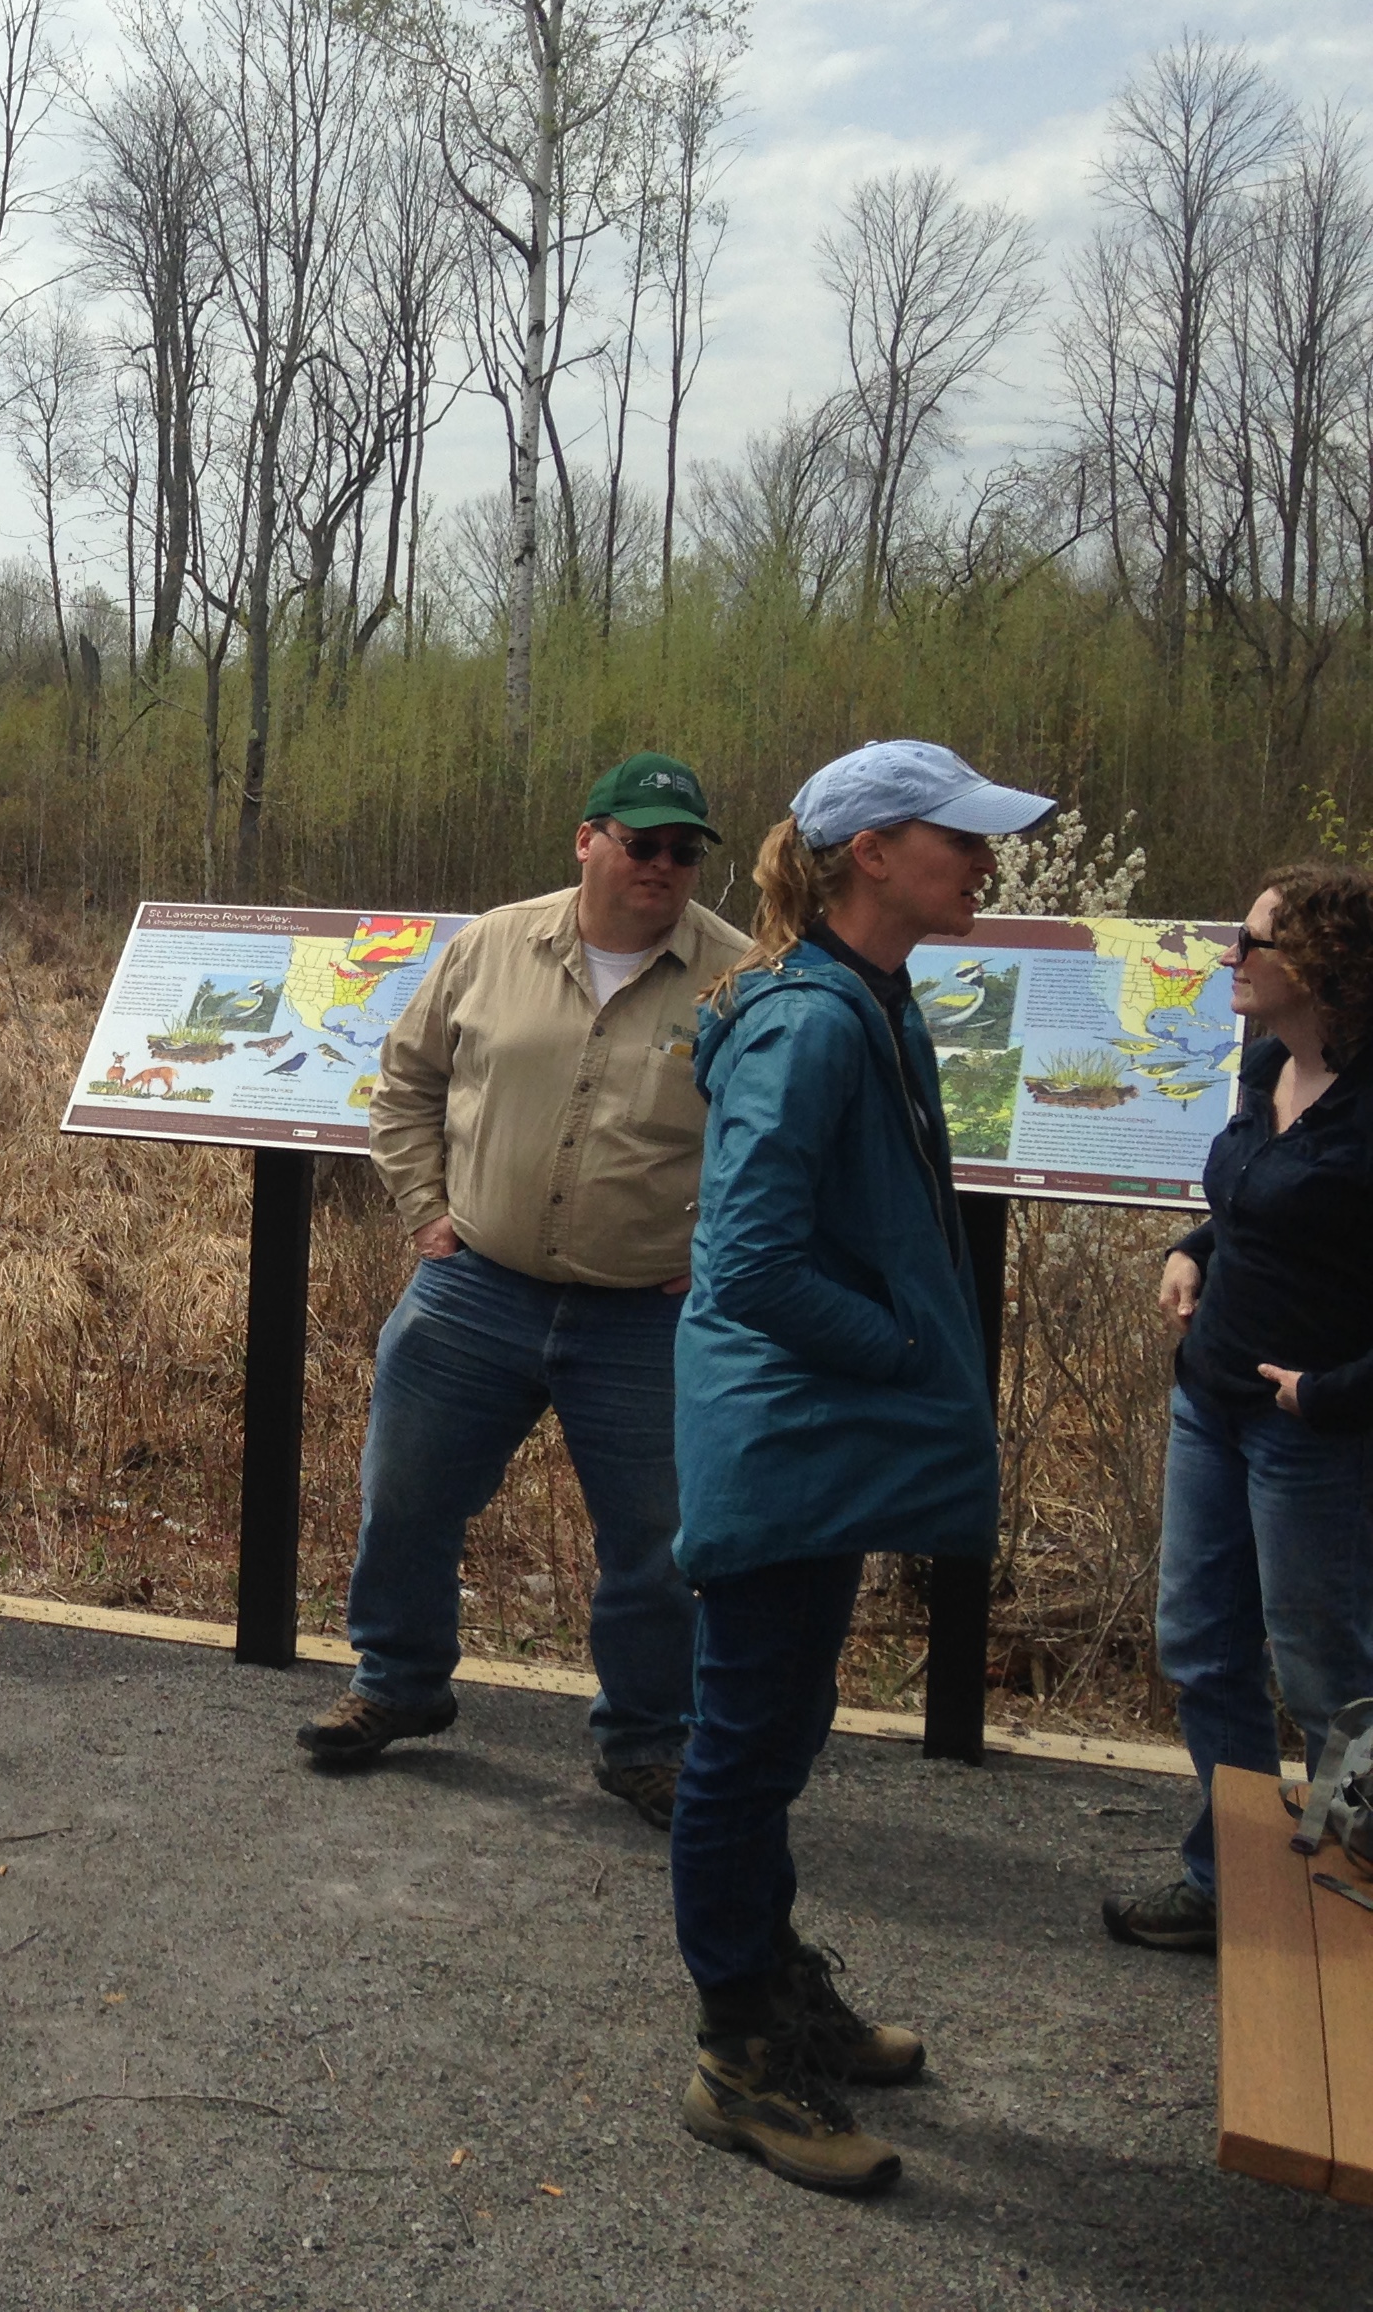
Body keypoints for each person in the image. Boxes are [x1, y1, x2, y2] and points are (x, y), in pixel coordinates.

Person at [666, 739, 1051, 2197]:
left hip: (804, 1440)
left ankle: (777, 1988)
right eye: (959, 839)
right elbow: (751, 1260)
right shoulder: (813, 1027)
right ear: (874, 853)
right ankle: (737, 2060)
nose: (985, 861)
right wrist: (903, 1352)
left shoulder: (868, 999)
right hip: (785, 1440)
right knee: (743, 1750)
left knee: (771, 1736)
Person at [304, 753, 747, 1826]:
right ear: (587, 839)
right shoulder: (492, 943)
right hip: (474, 1291)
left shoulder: (743, 978)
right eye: (641, 842)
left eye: (685, 850)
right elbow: (404, 1085)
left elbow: (777, 1140)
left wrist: (724, 1249)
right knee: (405, 1500)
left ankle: (646, 1740)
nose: (663, 865)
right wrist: (425, 1212)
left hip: (647, 1309)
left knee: (656, 1543)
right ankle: (398, 1685)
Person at [1105, 861, 1373, 1954]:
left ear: (1317, 966)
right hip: (1211, 1406)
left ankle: (1348, 1900)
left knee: (1328, 1676)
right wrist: (1192, 1248)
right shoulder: (1268, 1062)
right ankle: (1234, 1884)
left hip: (1315, 1432)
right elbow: (1255, 1203)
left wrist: (1330, 1393)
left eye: (1252, 944)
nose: (1232, 960)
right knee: (1204, 1647)